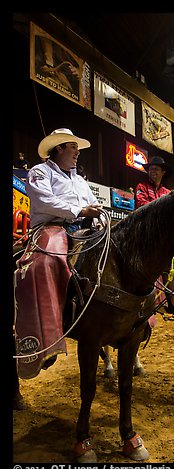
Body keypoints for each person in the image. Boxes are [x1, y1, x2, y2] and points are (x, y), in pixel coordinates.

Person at [13, 128, 102, 379]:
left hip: (84, 228)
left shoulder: (80, 180)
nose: (77, 153)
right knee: (43, 263)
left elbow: (91, 202)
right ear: (60, 147)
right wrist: (81, 211)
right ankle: (46, 337)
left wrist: (96, 217)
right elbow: (44, 202)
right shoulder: (39, 172)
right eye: (73, 147)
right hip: (52, 228)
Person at [134, 156, 174, 316]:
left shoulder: (167, 193)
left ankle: (169, 299)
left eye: (156, 169)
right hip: (145, 233)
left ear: (163, 172)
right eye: (150, 169)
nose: (152, 171)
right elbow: (142, 207)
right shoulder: (141, 187)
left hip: (163, 236)